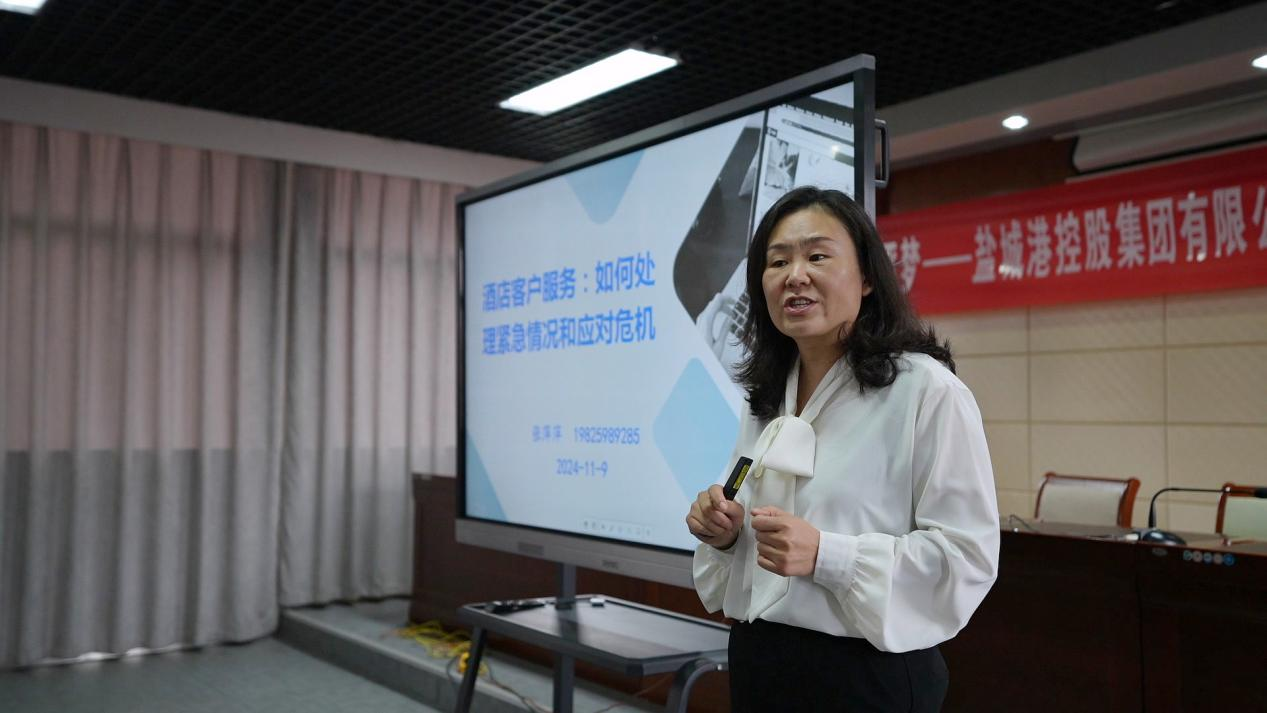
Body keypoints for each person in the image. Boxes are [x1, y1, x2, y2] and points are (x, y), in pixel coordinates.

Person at [685, 186, 999, 712]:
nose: (795, 275)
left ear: (867, 277)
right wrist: (727, 533)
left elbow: (967, 558)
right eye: (777, 262)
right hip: (761, 661)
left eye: (817, 256)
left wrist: (826, 555)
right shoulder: (767, 396)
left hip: (865, 675)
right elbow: (754, 527)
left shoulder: (926, 391)